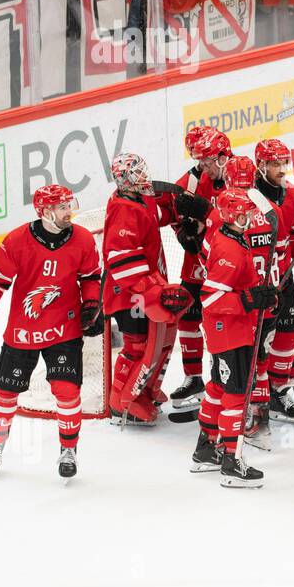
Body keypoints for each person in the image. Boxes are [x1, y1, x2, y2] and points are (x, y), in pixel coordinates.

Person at [0, 184, 102, 478]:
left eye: (70, 205)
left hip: (64, 329)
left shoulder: (82, 239)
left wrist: (92, 304)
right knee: (5, 391)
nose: (70, 211)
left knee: (66, 391)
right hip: (23, 331)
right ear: (45, 211)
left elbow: (91, 276)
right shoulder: (16, 240)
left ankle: (68, 451)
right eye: (63, 207)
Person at [192, 187, 279, 487]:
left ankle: (206, 447)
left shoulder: (234, 239)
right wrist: (247, 300)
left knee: (218, 386)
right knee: (236, 392)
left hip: (231, 330)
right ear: (232, 215)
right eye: (244, 213)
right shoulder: (229, 249)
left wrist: (260, 296)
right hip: (228, 331)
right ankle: (232, 459)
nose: (250, 217)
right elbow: (210, 299)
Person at [103, 153, 192, 424]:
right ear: (125, 180)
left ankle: (143, 390)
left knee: (159, 342)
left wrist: (181, 210)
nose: (144, 177)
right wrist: (151, 291)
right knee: (138, 345)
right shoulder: (123, 209)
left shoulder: (137, 200)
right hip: (128, 294)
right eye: (138, 174)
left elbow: (156, 215)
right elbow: (121, 260)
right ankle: (121, 402)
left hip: (143, 291)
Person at [253, 139, 294, 425]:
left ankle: (282, 384)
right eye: (275, 164)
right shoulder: (252, 197)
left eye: (284, 162)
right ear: (261, 166)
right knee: (263, 341)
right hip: (260, 283)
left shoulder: (293, 197)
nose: (282, 169)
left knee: (289, 333)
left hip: (285, 276)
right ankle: (269, 389)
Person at [166, 127, 229, 409]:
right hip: (197, 264)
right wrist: (183, 232)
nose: (202, 167)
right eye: (200, 161)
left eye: (207, 161)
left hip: (227, 265)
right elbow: (172, 206)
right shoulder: (193, 179)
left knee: (222, 324)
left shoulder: (241, 174)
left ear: (223, 156)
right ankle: (194, 378)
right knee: (188, 317)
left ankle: (226, 378)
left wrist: (204, 217)